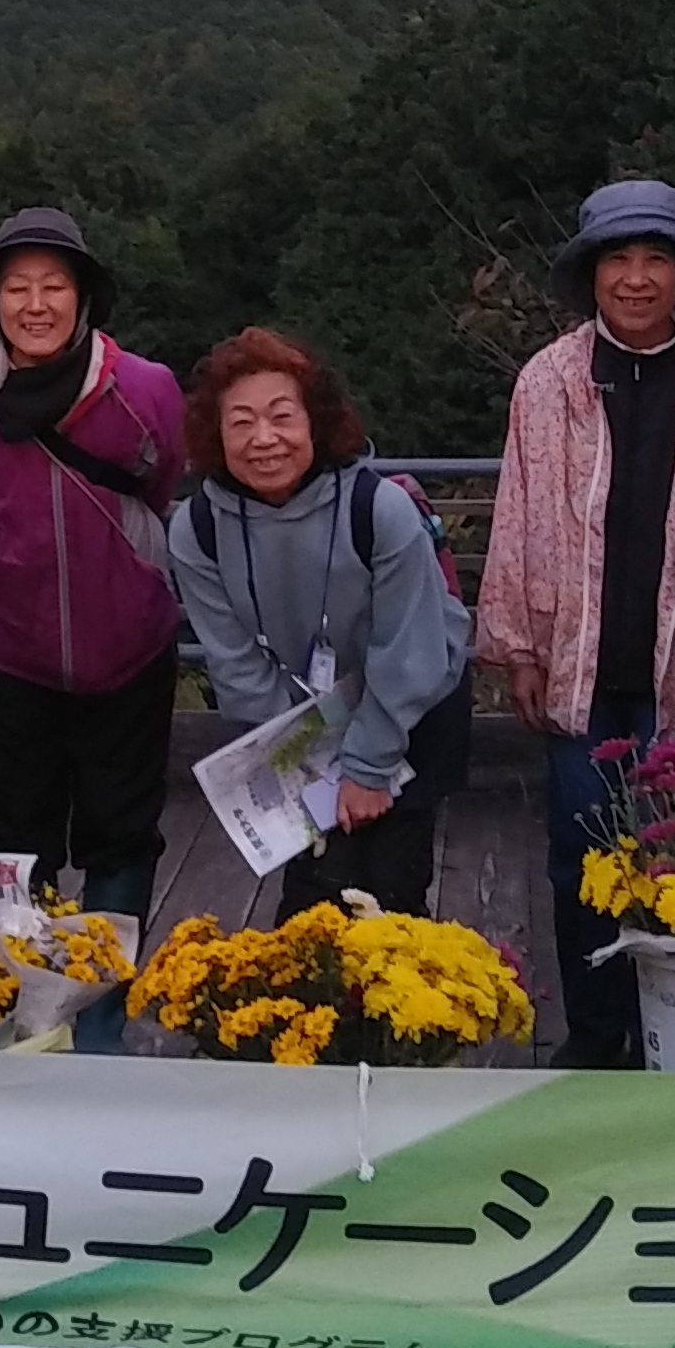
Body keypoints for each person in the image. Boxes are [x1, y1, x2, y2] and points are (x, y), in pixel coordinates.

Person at [475, 180, 675, 1066]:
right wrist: (517, 648)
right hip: (576, 657)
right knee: (581, 852)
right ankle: (594, 1029)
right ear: (591, 273)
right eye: (618, 258)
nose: (636, 278)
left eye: (657, 258)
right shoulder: (550, 379)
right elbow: (516, 514)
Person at [0, 208, 186, 921]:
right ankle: (28, 986)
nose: (36, 304)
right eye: (17, 288)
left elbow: (159, 485)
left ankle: (103, 990)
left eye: (54, 285)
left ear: (83, 297)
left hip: (130, 650)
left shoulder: (146, 390)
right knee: (13, 843)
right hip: (8, 657)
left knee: (122, 838)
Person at [169, 329, 474, 924]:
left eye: (282, 417)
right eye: (241, 423)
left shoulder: (380, 510)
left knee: (391, 899)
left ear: (316, 421)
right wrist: (306, 764)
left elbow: (408, 651)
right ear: (215, 434)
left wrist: (367, 768)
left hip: (411, 703)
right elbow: (236, 663)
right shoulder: (198, 528)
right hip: (305, 723)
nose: (264, 439)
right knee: (310, 905)